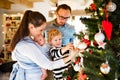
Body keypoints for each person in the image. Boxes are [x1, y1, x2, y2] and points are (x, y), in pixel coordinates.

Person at [9, 10, 75, 80]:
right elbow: (49, 65)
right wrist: (70, 57)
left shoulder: (30, 41)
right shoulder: (26, 45)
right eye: (41, 30)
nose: (42, 33)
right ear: (31, 27)